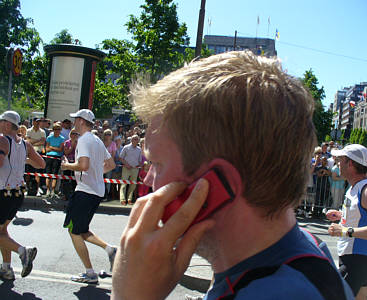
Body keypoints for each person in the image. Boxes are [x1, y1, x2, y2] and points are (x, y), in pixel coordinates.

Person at [112, 51, 353, 300]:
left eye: (157, 164)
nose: (148, 179)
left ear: (216, 185)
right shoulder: (304, 245)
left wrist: (128, 294)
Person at [61, 109, 117, 284]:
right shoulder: (97, 140)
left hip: (85, 191)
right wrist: (96, 174)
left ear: (82, 121)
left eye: (76, 119)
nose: (74, 122)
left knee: (73, 231)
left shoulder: (84, 139)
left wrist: (67, 166)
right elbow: (111, 164)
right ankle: (109, 249)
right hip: (96, 191)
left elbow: (83, 165)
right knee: (82, 229)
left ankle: (90, 273)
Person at [326, 144, 367, 299]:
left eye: (341, 160)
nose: (337, 163)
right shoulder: (355, 187)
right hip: (351, 256)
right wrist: (342, 215)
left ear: (351, 164)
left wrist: (344, 231)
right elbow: (361, 215)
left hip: (358, 259)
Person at [0, 111, 45, 280]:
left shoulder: (3, 140)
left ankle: (22, 251)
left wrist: (12, 160)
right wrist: (22, 161)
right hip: (17, 193)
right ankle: (6, 268)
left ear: (6, 124)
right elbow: (41, 164)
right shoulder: (25, 144)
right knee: (3, 232)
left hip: (3, 192)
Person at [119, 134, 142, 205]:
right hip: (126, 168)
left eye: (137, 139)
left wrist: (138, 165)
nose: (136, 140)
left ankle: (129, 199)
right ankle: (122, 199)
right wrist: (126, 164)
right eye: (135, 139)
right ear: (131, 140)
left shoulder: (139, 149)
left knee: (133, 185)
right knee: (124, 184)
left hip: (135, 169)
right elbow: (120, 157)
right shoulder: (126, 147)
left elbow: (140, 160)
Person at [26, 117, 46, 196]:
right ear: (33, 122)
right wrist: (37, 140)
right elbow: (28, 141)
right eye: (36, 121)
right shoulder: (28, 131)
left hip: (39, 153)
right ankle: (28, 188)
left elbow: (42, 142)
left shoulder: (42, 131)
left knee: (38, 173)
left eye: (39, 122)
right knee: (28, 173)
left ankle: (37, 190)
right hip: (30, 153)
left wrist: (33, 142)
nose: (38, 123)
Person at [44, 122, 65, 198]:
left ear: (60, 130)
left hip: (57, 158)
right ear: (53, 130)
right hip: (49, 157)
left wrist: (52, 147)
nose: (57, 131)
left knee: (54, 174)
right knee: (48, 174)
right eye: (55, 129)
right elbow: (47, 149)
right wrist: (54, 148)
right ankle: (48, 190)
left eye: (58, 129)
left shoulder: (62, 138)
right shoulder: (49, 137)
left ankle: (53, 190)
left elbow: (60, 149)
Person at [102, 129, 116, 201]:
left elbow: (113, 155)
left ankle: (106, 195)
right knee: (101, 180)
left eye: (109, 134)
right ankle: (101, 194)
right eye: (106, 134)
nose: (107, 136)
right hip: (101, 164)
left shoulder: (113, 144)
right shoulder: (101, 142)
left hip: (109, 164)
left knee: (108, 180)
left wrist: (109, 163)